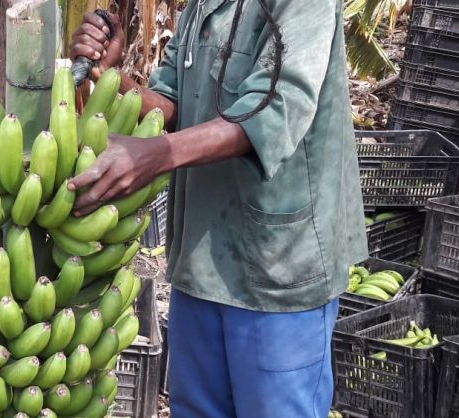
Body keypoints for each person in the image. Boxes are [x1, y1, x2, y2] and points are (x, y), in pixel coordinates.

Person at [68, 0, 368, 416]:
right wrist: (112, 79)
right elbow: (173, 101)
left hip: (276, 274)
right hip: (202, 260)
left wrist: (155, 154)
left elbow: (275, 109)